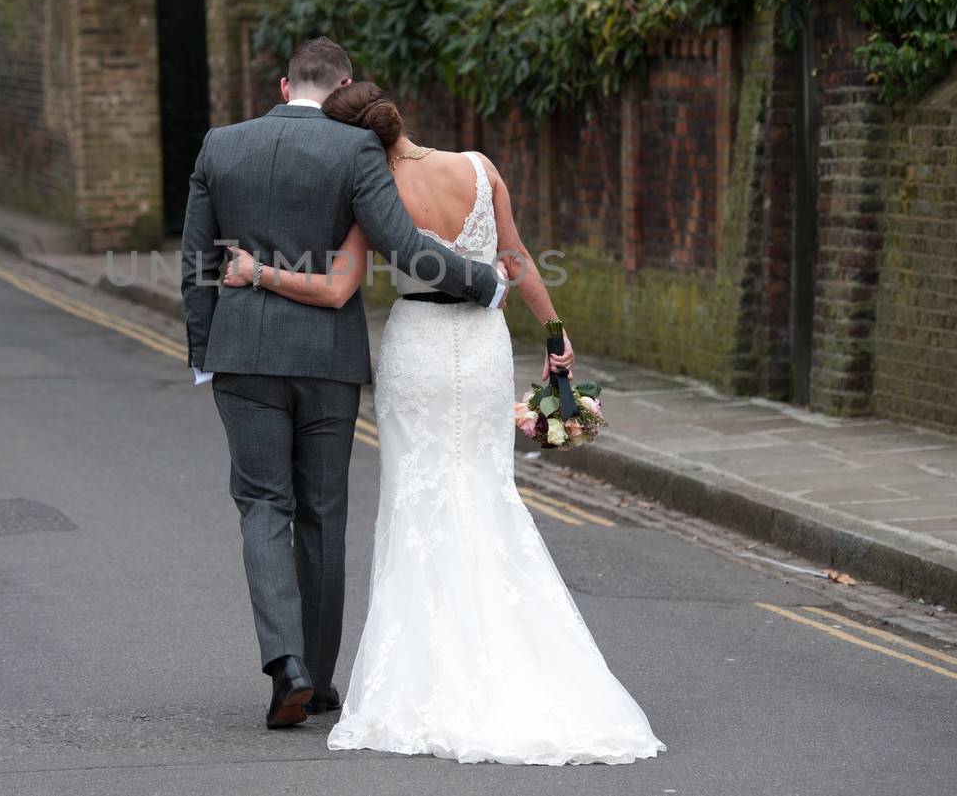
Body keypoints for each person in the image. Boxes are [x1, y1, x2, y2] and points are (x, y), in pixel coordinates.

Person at [222, 80, 665, 766]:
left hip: (420, 350)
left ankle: (433, 665)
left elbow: (337, 287)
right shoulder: (478, 166)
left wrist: (257, 271)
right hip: (485, 348)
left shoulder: (370, 192)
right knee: (487, 491)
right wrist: (554, 333)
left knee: (419, 499)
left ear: (354, 142)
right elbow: (514, 258)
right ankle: (521, 654)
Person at [179, 39, 506, 730]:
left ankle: (285, 665)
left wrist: (207, 352)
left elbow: (197, 262)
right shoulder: (352, 150)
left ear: (282, 84)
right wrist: (481, 280)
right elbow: (400, 241)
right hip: (328, 358)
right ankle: (320, 682)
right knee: (323, 511)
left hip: (244, 356)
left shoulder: (219, 145)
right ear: (344, 86)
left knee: (264, 505)